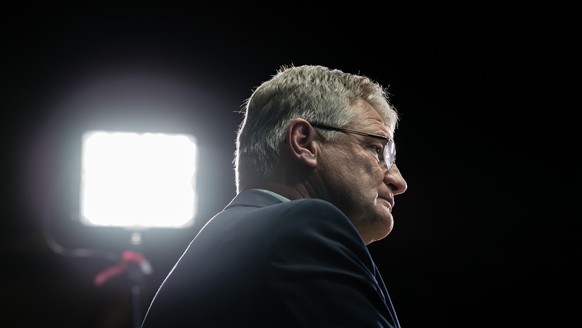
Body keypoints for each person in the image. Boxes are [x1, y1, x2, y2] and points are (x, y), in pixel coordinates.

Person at [140, 64, 408, 327]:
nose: (399, 181)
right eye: (376, 150)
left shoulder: (225, 241)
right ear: (303, 142)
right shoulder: (303, 225)